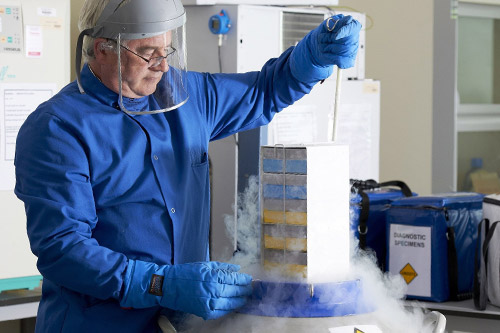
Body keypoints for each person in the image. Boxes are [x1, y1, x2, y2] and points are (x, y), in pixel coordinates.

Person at [14, 0, 361, 332]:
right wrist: (159, 283)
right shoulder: (57, 129)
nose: (163, 65)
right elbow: (63, 249)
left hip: (186, 323)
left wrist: (313, 54)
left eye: (167, 50)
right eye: (147, 53)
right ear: (103, 48)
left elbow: (264, 91)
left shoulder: (183, 95)